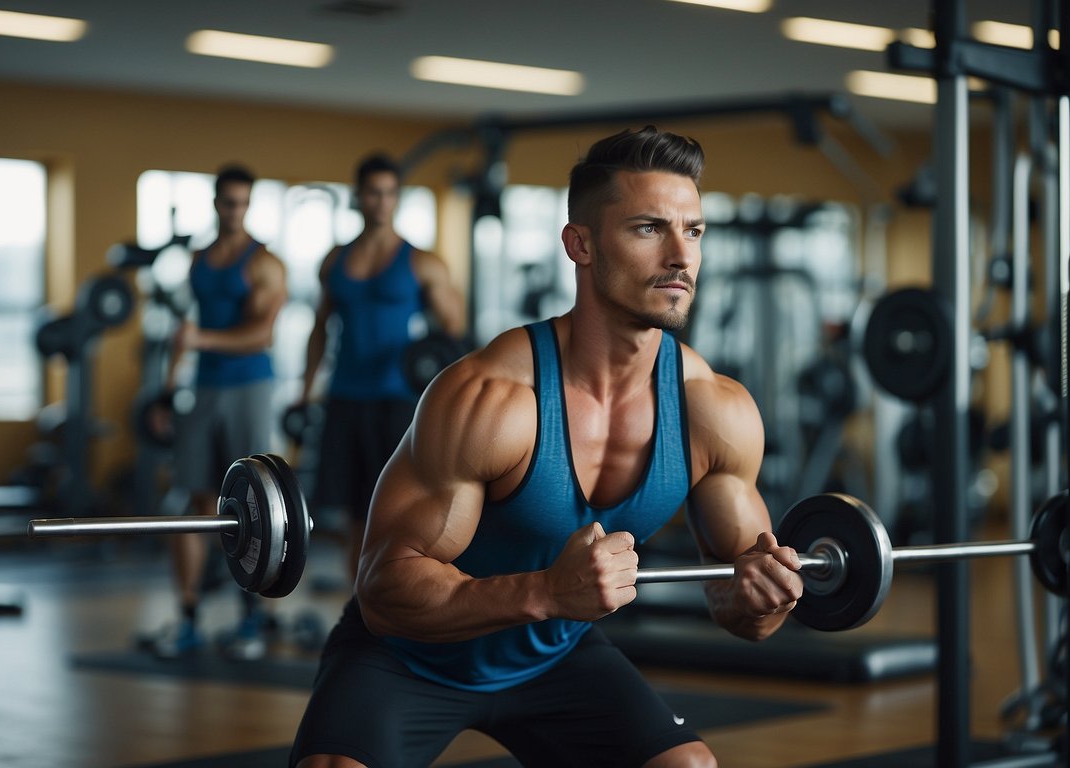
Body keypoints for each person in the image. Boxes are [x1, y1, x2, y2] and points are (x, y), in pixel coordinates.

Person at [289, 127, 804, 768]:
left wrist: (766, 598)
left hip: (555, 655)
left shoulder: (715, 411)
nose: (680, 255)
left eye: (694, 231)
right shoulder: (490, 400)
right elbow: (385, 590)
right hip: (409, 658)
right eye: (649, 229)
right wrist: (549, 594)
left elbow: (742, 611)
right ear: (579, 244)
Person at [296, 152, 465, 581]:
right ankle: (360, 602)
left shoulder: (421, 261)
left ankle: (397, 597)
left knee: (398, 507)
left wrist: (429, 364)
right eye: (373, 193)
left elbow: (454, 327)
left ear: (397, 198)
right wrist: (305, 389)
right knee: (355, 512)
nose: (381, 202)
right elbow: (320, 330)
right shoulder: (335, 260)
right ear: (358, 197)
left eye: (390, 193)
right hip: (345, 396)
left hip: (398, 400)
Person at [145, 164, 288, 660]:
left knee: (253, 505)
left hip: (249, 386)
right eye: (227, 202)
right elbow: (184, 330)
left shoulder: (265, 264)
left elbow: (261, 333)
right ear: (215, 203)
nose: (233, 211)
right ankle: (187, 618)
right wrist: (166, 394)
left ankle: (254, 617)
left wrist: (201, 340)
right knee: (193, 501)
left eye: (242, 203)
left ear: (249, 205)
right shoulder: (200, 260)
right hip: (203, 390)